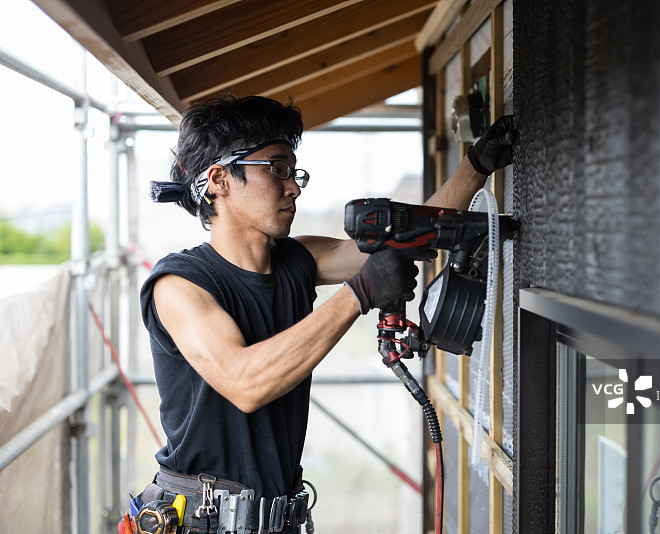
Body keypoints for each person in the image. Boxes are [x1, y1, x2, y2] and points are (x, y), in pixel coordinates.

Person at [136, 94, 515, 534]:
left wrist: (476, 165)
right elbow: (245, 383)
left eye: (294, 172)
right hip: (200, 523)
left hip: (279, 521)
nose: (294, 187)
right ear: (219, 179)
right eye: (276, 169)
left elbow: (407, 237)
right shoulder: (179, 284)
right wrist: (357, 295)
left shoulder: (297, 261)